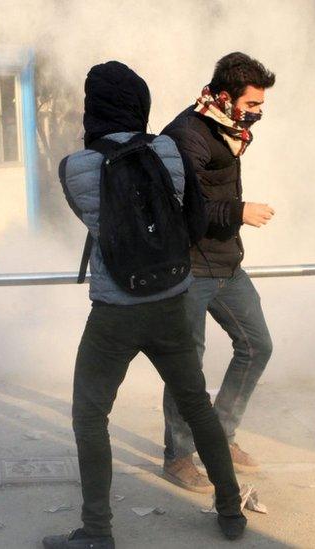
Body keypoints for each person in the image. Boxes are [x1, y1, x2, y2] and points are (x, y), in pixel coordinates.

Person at [42, 61, 246, 549]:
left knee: (90, 417)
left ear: (93, 109)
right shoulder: (170, 151)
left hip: (114, 314)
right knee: (197, 406)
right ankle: (232, 511)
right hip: (171, 302)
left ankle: (97, 533)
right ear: (140, 103)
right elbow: (193, 220)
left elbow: (93, 223)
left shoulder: (74, 168)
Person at [160, 52, 276, 492]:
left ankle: (222, 436)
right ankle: (179, 456)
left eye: (261, 106)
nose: (258, 115)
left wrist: (233, 218)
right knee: (187, 367)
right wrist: (239, 210)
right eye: (253, 105)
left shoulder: (230, 129)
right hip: (190, 268)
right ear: (225, 97)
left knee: (257, 346)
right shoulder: (185, 135)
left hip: (227, 261)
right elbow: (182, 205)